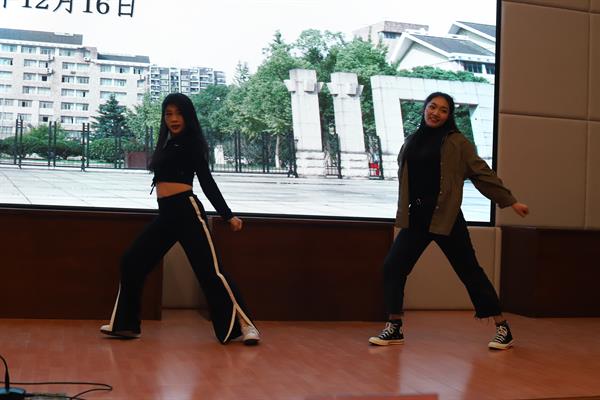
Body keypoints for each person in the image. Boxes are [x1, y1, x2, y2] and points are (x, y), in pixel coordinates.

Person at [368, 92, 529, 350]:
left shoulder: (457, 142)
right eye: (432, 107)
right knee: (393, 267)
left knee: (469, 271)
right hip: (417, 217)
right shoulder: (412, 141)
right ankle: (394, 326)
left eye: (443, 110)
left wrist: (509, 200)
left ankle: (503, 328)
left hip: (447, 217)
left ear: (449, 116)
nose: (436, 113)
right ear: (425, 108)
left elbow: (481, 172)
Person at [100, 93, 260, 345]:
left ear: (188, 116)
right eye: (168, 114)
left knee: (211, 272)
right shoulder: (167, 144)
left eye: (179, 113)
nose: (173, 119)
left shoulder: (192, 143)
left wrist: (227, 214)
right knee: (132, 261)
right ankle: (126, 325)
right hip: (167, 215)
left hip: (187, 212)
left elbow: (206, 182)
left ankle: (246, 325)